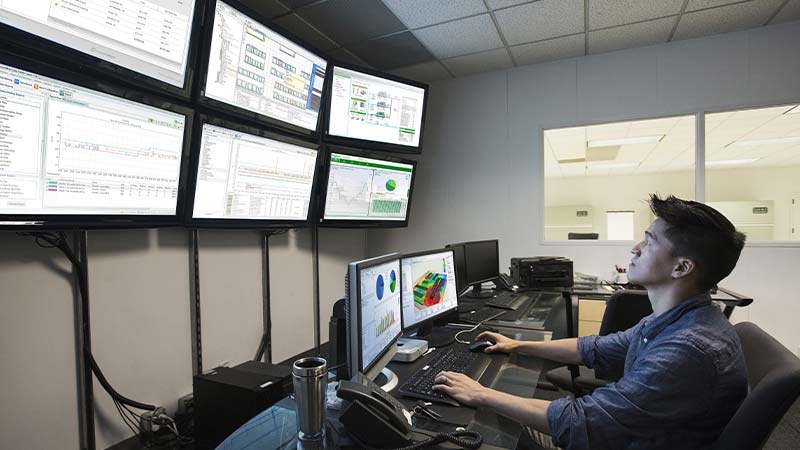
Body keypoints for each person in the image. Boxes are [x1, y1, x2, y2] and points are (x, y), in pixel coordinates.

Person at [433, 194, 748, 450]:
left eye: (649, 242)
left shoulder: (687, 350)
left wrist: (480, 394)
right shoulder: (678, 320)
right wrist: (517, 345)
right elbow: (594, 348)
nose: (635, 248)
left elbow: (579, 423)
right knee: (498, 417)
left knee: (480, 428)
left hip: (623, 441)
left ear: (681, 268)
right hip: (632, 435)